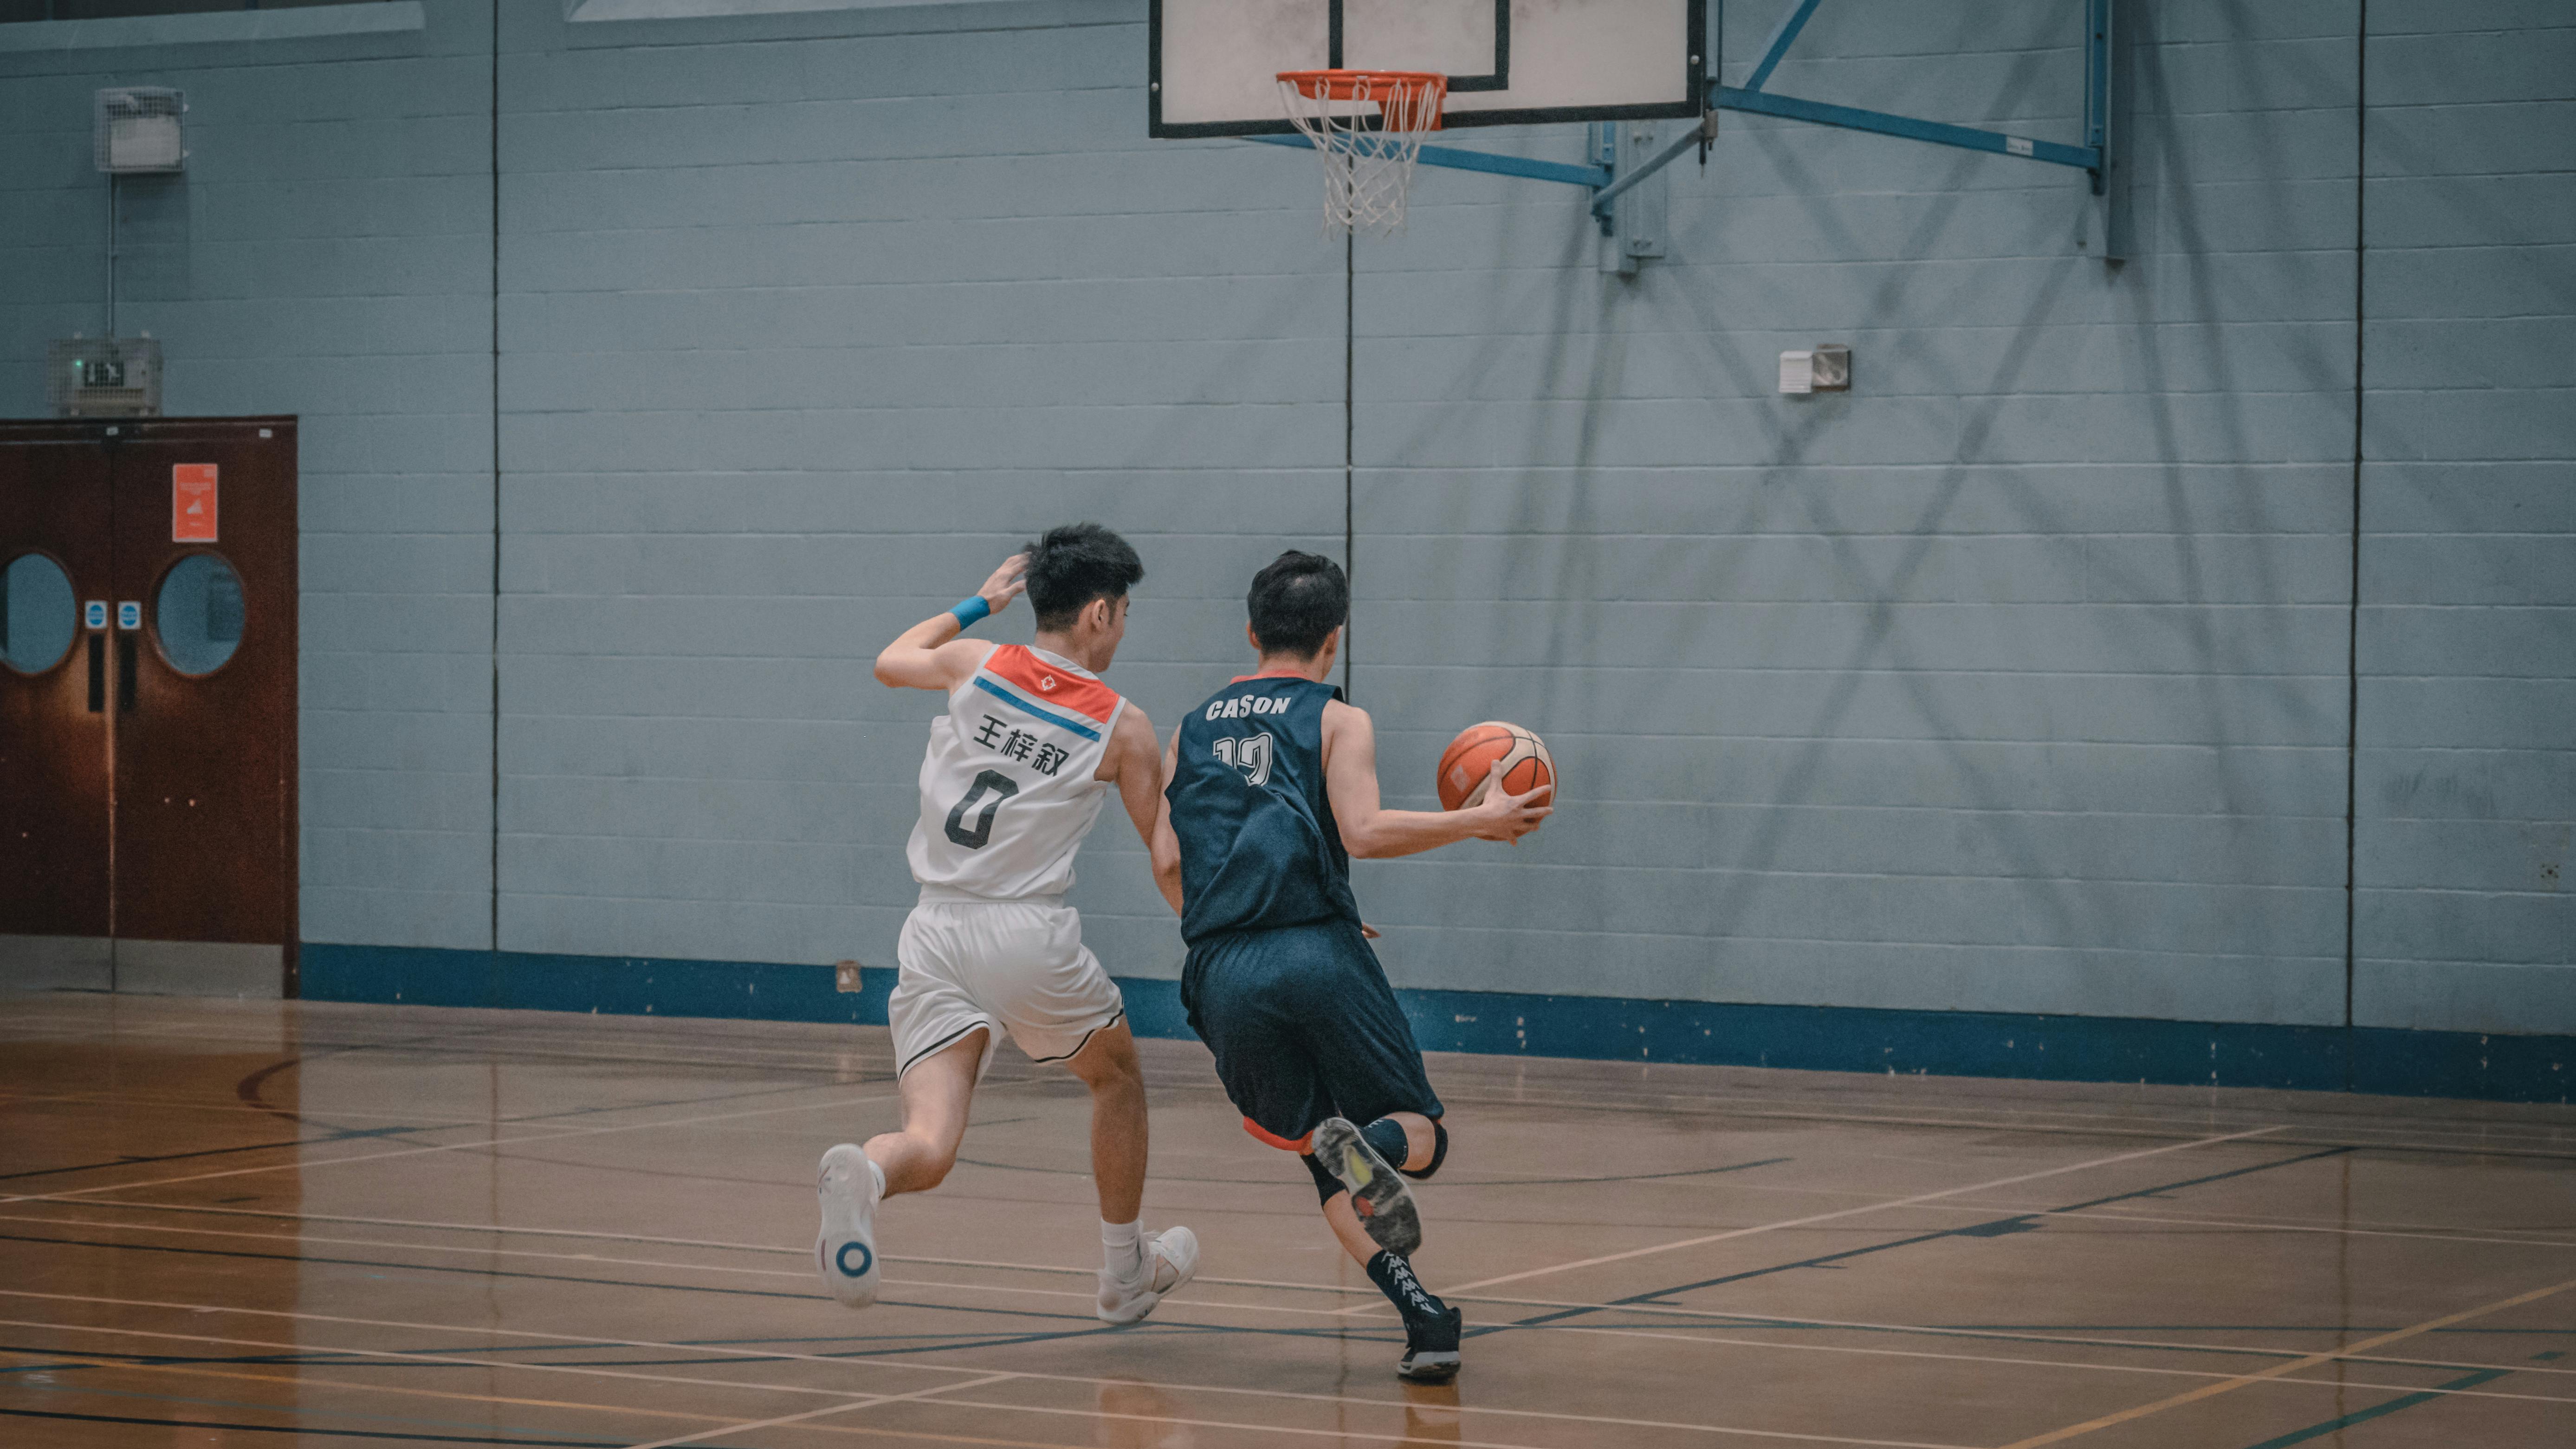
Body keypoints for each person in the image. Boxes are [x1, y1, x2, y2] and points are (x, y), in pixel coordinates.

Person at [1150, 550, 1552, 1381]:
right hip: (1315, 951)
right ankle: (1366, 1144)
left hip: (1219, 967)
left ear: (1252, 631)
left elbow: (1166, 862)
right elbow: (1363, 830)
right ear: (1333, 640)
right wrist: (1479, 821)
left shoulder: (1186, 730)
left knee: (1316, 1154)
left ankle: (1427, 1322)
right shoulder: (1337, 718)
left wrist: (1243, 914)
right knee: (1423, 1138)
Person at [817, 524, 1198, 1325]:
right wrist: (1228, 930)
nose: (1124, 628)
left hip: (932, 929)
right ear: (1098, 613)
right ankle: (1125, 1274)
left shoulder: (975, 661)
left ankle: (868, 1173)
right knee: (1117, 1079)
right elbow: (1166, 859)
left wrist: (978, 604)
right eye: (1124, 611)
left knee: (930, 1138)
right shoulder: (1123, 725)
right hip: (1024, 935)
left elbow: (891, 660)